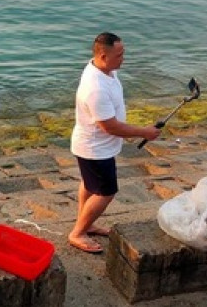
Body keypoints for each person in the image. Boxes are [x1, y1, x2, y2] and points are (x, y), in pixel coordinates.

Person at [68, 32, 160, 254]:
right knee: (106, 192)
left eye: (123, 53)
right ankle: (78, 233)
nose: (123, 58)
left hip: (95, 146)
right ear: (102, 56)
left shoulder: (103, 69)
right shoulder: (95, 88)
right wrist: (144, 132)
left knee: (90, 185)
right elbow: (110, 127)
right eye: (119, 55)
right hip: (94, 149)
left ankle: (86, 223)